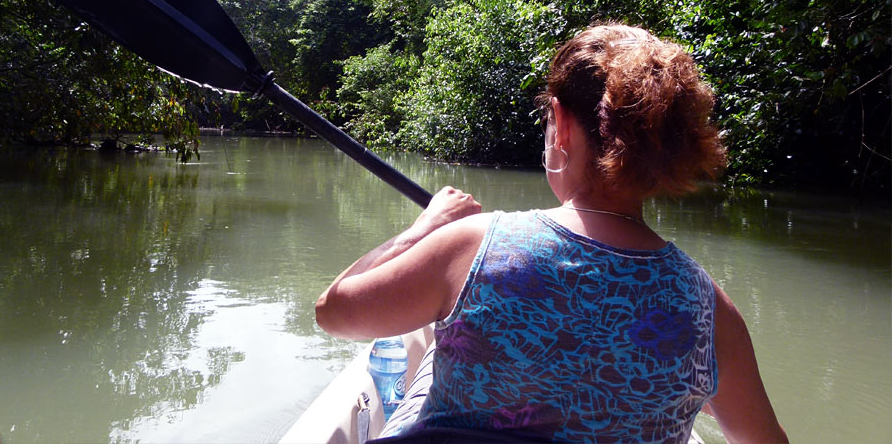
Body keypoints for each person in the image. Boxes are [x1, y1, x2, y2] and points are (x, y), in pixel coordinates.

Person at [315, 24, 787, 444]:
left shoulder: (474, 245)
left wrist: (423, 230)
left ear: (561, 124)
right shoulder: (711, 309)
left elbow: (334, 312)